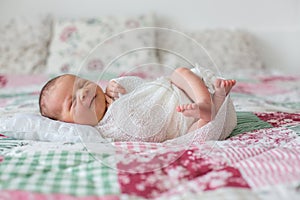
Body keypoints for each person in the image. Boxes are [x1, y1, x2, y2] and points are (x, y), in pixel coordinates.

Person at [39, 67, 236, 142]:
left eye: (82, 84)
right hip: (185, 123)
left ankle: (205, 102)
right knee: (195, 138)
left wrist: (119, 86)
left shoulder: (115, 89)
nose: (83, 93)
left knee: (180, 72)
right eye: (72, 102)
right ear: (69, 124)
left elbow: (144, 87)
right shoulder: (102, 133)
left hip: (183, 93)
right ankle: (215, 103)